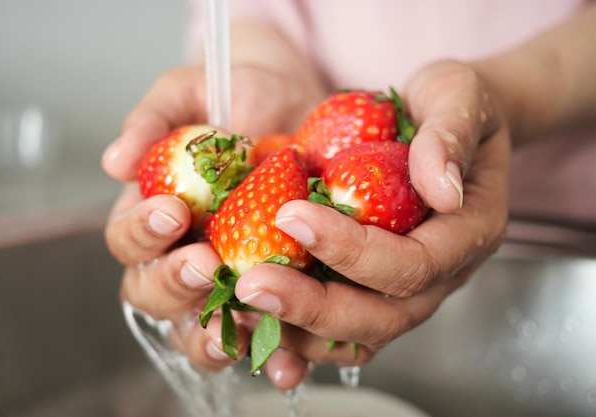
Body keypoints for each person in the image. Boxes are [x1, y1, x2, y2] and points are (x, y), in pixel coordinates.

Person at [102, 0, 596, 391]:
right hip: (368, 189)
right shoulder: (282, 167)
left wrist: (505, 96)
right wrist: (254, 63)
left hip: (568, 235)